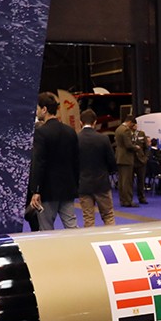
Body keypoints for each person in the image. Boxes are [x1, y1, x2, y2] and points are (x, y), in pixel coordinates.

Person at [28, 91, 80, 229]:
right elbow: (76, 161)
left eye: (37, 108)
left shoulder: (41, 133)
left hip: (48, 190)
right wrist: (75, 184)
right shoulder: (70, 131)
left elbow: (39, 162)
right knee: (72, 226)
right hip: (68, 187)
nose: (36, 112)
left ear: (44, 109)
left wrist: (36, 190)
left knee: (46, 228)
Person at [77, 108, 116, 227]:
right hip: (102, 183)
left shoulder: (75, 139)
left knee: (88, 219)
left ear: (80, 122)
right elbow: (111, 161)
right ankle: (112, 238)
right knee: (108, 216)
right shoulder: (103, 139)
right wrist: (109, 172)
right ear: (95, 122)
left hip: (83, 184)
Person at [114, 113, 139, 207]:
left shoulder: (118, 129)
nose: (133, 126)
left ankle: (122, 199)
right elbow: (128, 145)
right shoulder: (126, 130)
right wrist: (136, 147)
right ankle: (128, 201)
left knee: (121, 181)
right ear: (130, 122)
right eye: (132, 124)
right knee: (127, 181)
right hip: (126, 158)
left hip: (119, 157)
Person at [132, 121, 150, 204]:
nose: (135, 126)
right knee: (130, 181)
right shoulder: (127, 133)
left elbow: (146, 147)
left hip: (141, 161)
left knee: (141, 181)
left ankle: (141, 197)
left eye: (135, 124)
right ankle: (130, 198)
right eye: (133, 124)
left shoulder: (141, 133)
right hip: (131, 160)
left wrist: (145, 158)